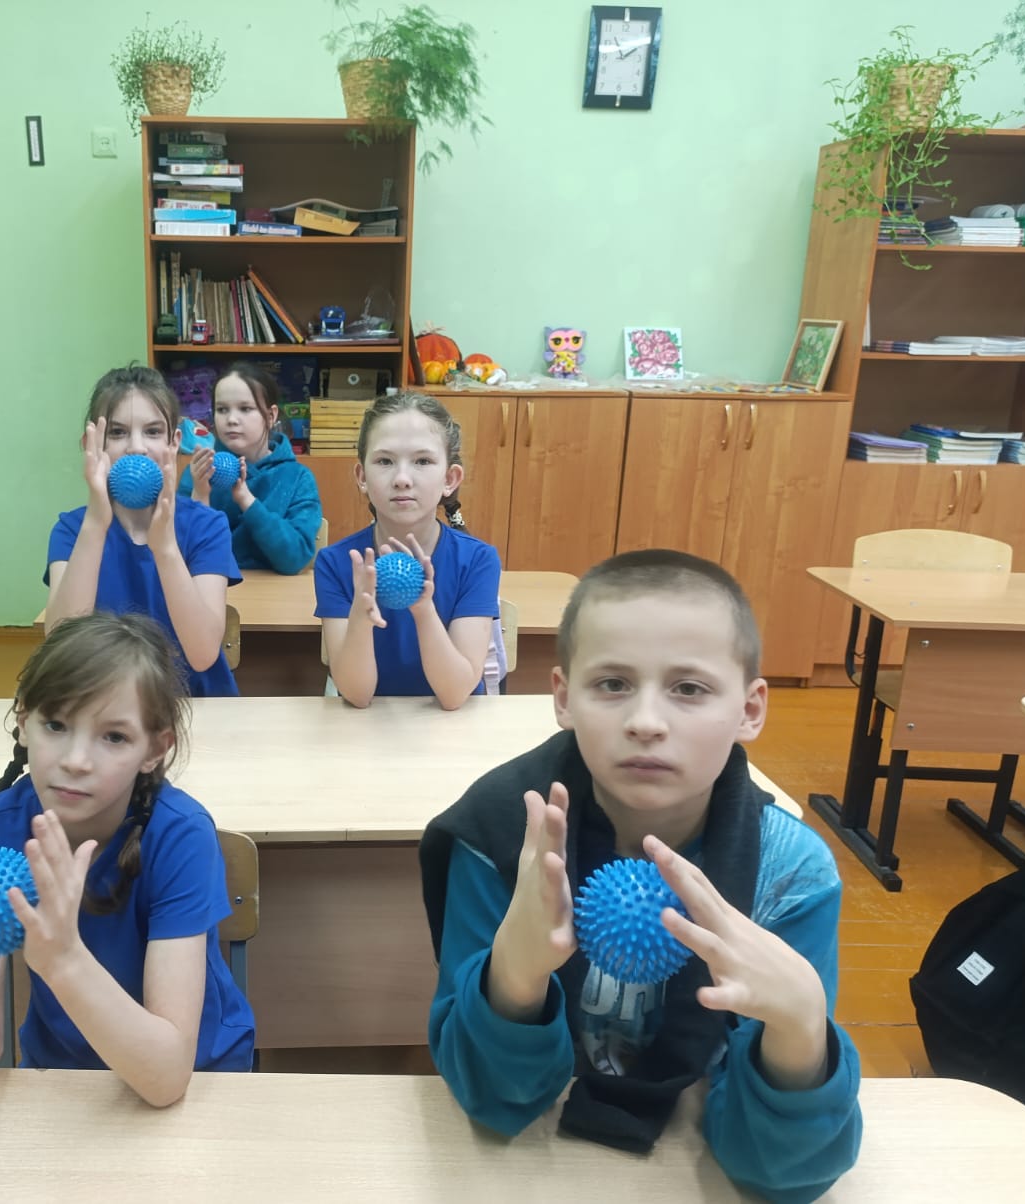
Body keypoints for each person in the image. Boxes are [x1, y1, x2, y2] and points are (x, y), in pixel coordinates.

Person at [419, 550, 862, 1203]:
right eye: (612, 684)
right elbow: (492, 1100)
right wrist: (514, 974)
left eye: (689, 689)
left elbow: (781, 1175)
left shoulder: (788, 875)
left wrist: (800, 1027)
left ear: (750, 709)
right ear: (563, 698)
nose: (646, 722)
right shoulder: (504, 839)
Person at [0, 612, 255, 1105]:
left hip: (199, 1078)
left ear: (155, 749)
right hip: (62, 1079)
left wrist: (66, 962)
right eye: (55, 724)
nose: (76, 760)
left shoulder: (180, 835)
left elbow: (166, 1080)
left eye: (114, 737)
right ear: (23, 722)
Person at [47, 364, 239, 697]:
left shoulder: (207, 526)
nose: (136, 447)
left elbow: (203, 653)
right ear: (92, 444)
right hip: (104, 704)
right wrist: (95, 523)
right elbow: (61, 646)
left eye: (152, 432)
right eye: (117, 433)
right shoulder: (72, 529)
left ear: (174, 442)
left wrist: (165, 548)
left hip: (196, 704)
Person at [313, 391, 501, 708]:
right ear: (362, 476)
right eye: (385, 461)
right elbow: (356, 695)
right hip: (369, 725)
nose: (402, 479)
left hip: (453, 728)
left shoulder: (478, 560)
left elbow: (454, 694)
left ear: (450, 478)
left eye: (422, 461)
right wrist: (360, 616)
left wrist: (423, 609)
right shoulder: (336, 563)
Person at [179, 362, 323, 575]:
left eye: (245, 409)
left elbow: (295, 559)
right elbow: (180, 553)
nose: (231, 420)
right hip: (209, 586)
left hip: (273, 592)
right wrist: (200, 497)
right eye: (222, 410)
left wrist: (247, 501)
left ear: (271, 416)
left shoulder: (298, 478)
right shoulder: (199, 472)